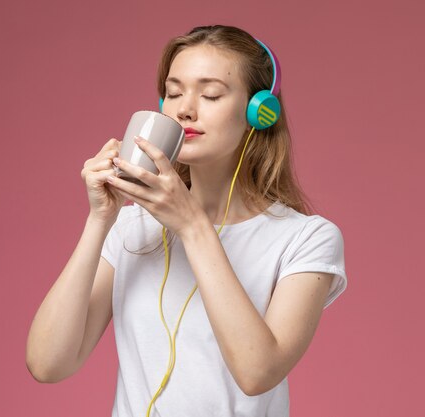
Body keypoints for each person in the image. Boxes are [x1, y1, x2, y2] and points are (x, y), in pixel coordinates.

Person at [26, 25, 347, 417]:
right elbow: (48, 364)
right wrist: (100, 219)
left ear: (258, 112)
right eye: (173, 93)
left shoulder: (306, 238)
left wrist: (193, 227)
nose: (184, 109)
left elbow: (257, 372)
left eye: (210, 94)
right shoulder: (133, 228)